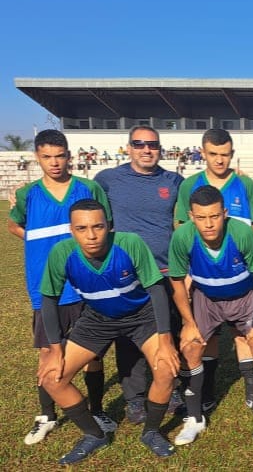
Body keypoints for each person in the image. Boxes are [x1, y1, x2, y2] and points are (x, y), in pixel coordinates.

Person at [38, 200, 179, 463]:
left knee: (166, 369)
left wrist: (165, 340)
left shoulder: (130, 243)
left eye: (98, 227)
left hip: (142, 317)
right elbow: (49, 300)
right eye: (82, 228)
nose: (91, 235)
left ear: (109, 226)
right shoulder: (61, 253)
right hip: (97, 320)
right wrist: (55, 350)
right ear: (71, 229)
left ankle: (151, 431)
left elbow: (157, 290)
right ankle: (94, 435)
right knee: (52, 379)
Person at [8, 129, 116, 446]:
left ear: (70, 156)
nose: (54, 163)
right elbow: (14, 224)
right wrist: (36, 242)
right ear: (37, 158)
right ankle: (47, 416)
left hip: (85, 287)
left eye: (60, 156)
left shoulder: (89, 188)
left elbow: (107, 227)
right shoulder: (29, 194)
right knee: (47, 353)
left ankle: (97, 410)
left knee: (93, 354)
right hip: (47, 289)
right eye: (47, 156)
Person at [168, 186, 253, 445]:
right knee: (190, 346)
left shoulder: (241, 233)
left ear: (224, 213)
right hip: (207, 299)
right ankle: (195, 419)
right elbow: (177, 282)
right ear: (191, 216)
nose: (209, 224)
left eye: (214, 216)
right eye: (202, 218)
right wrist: (188, 323)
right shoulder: (182, 237)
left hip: (245, 297)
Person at [95, 125, 184, 423]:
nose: (147, 149)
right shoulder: (107, 180)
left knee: (168, 331)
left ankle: (170, 387)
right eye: (139, 144)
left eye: (153, 145)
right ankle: (134, 399)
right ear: (129, 147)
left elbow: (193, 212)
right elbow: (82, 203)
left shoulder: (174, 181)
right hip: (125, 275)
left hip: (164, 272)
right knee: (129, 337)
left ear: (160, 148)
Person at [175, 129, 253, 413]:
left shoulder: (244, 185)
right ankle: (207, 390)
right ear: (203, 153)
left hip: (239, 271)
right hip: (205, 274)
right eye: (213, 154)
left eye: (225, 154)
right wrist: (189, 272)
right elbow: (181, 227)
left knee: (242, 334)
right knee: (206, 335)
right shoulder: (190, 185)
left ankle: (252, 387)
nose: (219, 160)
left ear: (232, 154)